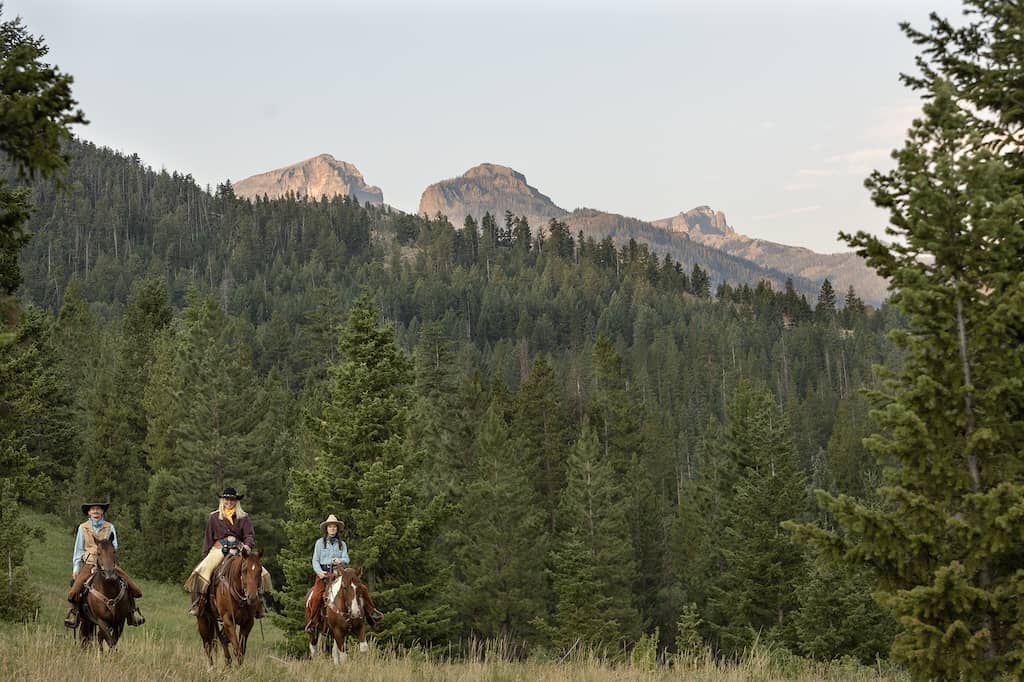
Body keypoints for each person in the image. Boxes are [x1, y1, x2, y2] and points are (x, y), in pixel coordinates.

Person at [184, 487, 271, 617]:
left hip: (239, 549)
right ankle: (198, 602)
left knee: (261, 572)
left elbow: (249, 535)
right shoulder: (213, 517)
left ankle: (259, 604)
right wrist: (206, 555)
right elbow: (208, 537)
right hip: (219, 549)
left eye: (232, 499)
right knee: (203, 570)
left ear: (236, 501)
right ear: (222, 500)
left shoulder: (244, 517)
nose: (229, 502)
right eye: (226, 499)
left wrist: (247, 545)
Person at [64, 501, 145, 628]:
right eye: (93, 509)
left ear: (102, 512)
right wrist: (76, 568)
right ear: (89, 513)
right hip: (90, 562)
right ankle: (74, 614)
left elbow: (115, 545)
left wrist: (108, 554)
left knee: (129, 584)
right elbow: (78, 549)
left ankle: (132, 612)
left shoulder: (110, 527)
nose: (95, 511)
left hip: (107, 562)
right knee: (74, 589)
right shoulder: (82, 528)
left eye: (98, 509)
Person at [303, 513, 383, 633]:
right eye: (330, 527)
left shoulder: (342, 544)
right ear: (326, 528)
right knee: (316, 596)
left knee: (361, 588)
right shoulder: (319, 543)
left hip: (339, 573)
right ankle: (313, 622)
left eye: (334, 527)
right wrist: (319, 572)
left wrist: (340, 560)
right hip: (324, 574)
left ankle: (371, 612)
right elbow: (315, 560)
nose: (332, 529)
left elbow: (347, 559)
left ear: (337, 529)